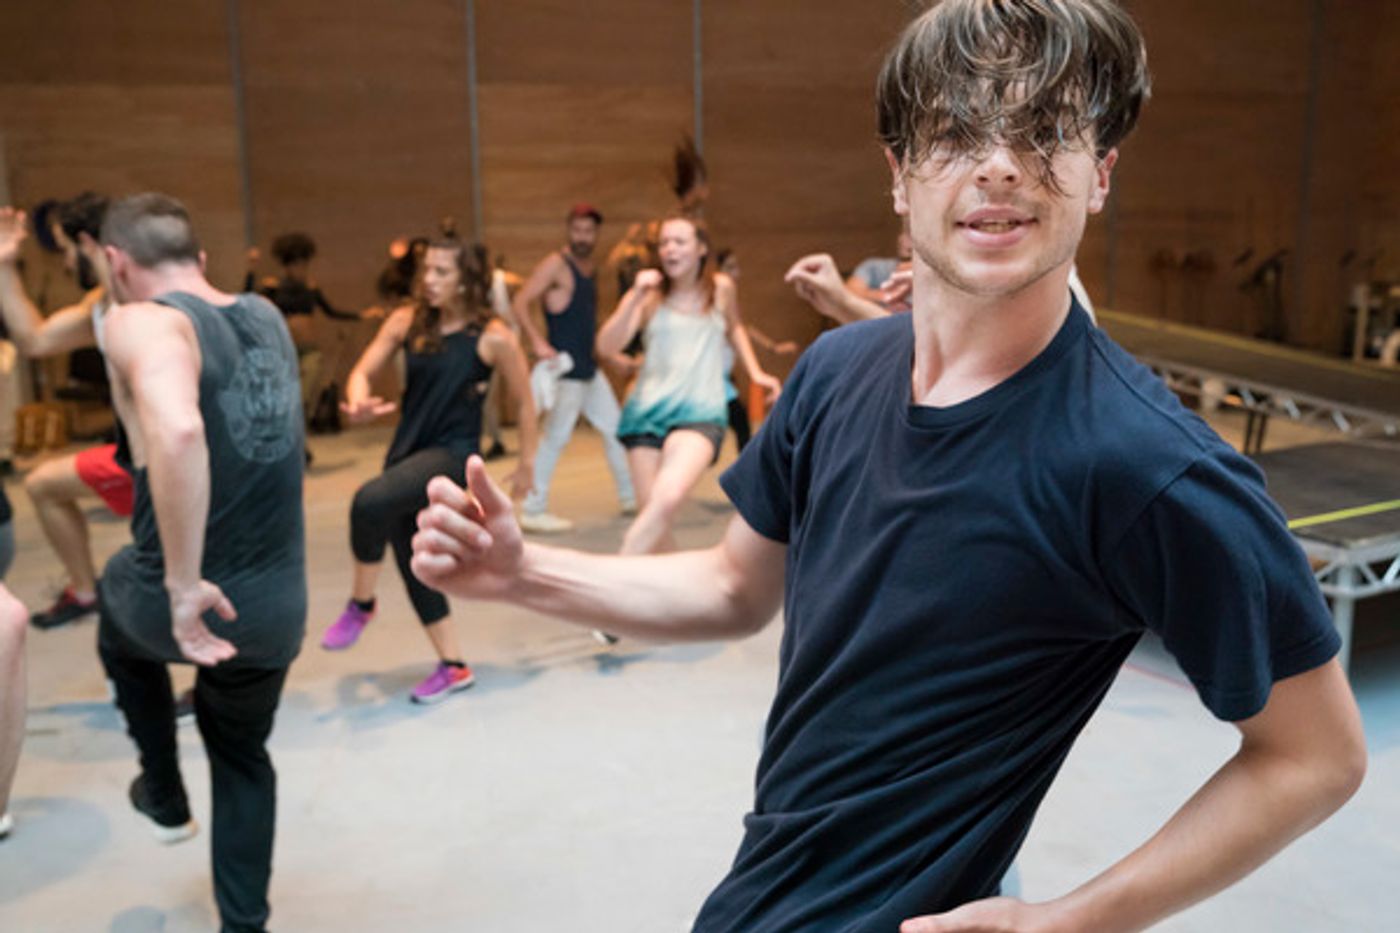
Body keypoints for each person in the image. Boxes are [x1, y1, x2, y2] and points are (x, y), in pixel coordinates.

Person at [411, 3, 1367, 930]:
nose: (999, 164)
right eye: (955, 131)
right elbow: (733, 587)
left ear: (1101, 171)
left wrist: (1075, 919)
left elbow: (1315, 754)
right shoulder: (835, 372)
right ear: (900, 177)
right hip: (761, 892)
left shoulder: (1149, 466)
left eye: (1042, 129)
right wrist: (523, 572)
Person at [95, 192, 305, 932]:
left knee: (113, 598)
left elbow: (179, 429)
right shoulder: (266, 314)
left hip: (179, 598)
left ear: (116, 264)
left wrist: (183, 586)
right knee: (241, 752)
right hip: (278, 609)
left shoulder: (137, 318)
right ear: (201, 259)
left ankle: (163, 790)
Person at [322, 232, 537, 704]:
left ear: (466, 280)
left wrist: (527, 464)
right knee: (415, 565)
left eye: (442, 271)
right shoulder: (407, 320)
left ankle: (361, 605)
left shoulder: (494, 337)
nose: (430, 280)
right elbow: (362, 370)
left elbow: (525, 403)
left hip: (451, 455)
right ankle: (454, 666)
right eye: (427, 270)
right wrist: (357, 400)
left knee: (368, 502)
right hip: (406, 454)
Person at [596, 216, 780, 557]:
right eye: (664, 243)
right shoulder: (649, 296)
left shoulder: (721, 288)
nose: (670, 249)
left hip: (701, 412)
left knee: (666, 499)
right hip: (645, 413)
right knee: (655, 523)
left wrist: (755, 372)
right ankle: (670, 602)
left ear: (701, 249)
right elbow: (606, 347)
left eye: (679, 242)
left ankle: (619, 565)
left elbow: (735, 327)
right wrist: (633, 297)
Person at [0, 194, 136, 629]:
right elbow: (35, 340)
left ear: (86, 243)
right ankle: (84, 591)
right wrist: (3, 265)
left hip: (173, 455)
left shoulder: (146, 297)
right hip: (132, 454)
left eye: (62, 250)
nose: (61, 264)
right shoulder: (98, 304)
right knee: (42, 485)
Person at [511, 204, 635, 534]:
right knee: (555, 439)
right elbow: (520, 301)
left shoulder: (589, 268)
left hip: (589, 368)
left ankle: (630, 497)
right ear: (569, 229)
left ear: (595, 234)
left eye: (588, 231)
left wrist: (611, 357)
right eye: (577, 230)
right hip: (566, 371)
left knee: (616, 430)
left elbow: (585, 325)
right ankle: (533, 509)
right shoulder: (556, 264)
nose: (582, 236)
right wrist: (537, 341)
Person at [714, 248, 798, 453]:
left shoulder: (728, 302)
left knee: (741, 424)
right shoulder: (710, 300)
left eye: (736, 267)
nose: (736, 273)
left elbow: (741, 329)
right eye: (730, 267)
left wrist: (773, 348)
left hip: (723, 377)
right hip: (710, 379)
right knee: (738, 423)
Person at [845, 224, 913, 305]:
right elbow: (848, 293)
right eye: (905, 232)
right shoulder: (874, 267)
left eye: (910, 233)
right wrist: (889, 296)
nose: (903, 238)